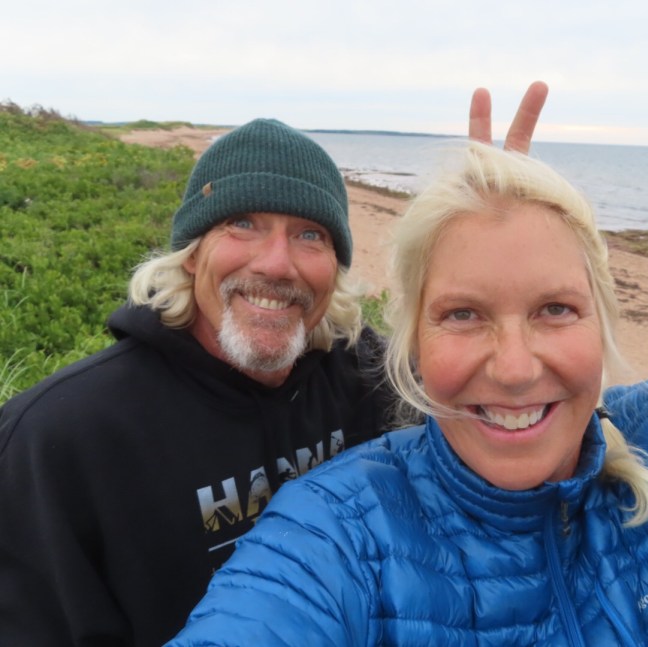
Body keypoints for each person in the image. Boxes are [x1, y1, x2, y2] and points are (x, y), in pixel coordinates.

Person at [167, 136, 648, 646]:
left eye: (554, 308)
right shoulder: (338, 528)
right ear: (413, 342)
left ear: (601, 321)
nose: (514, 367)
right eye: (463, 314)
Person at [0, 83, 549, 647]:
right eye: (242, 224)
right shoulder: (57, 440)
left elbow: (508, 418)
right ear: (191, 254)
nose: (277, 264)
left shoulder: (374, 381)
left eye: (310, 234)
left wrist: (495, 255)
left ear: (335, 267)